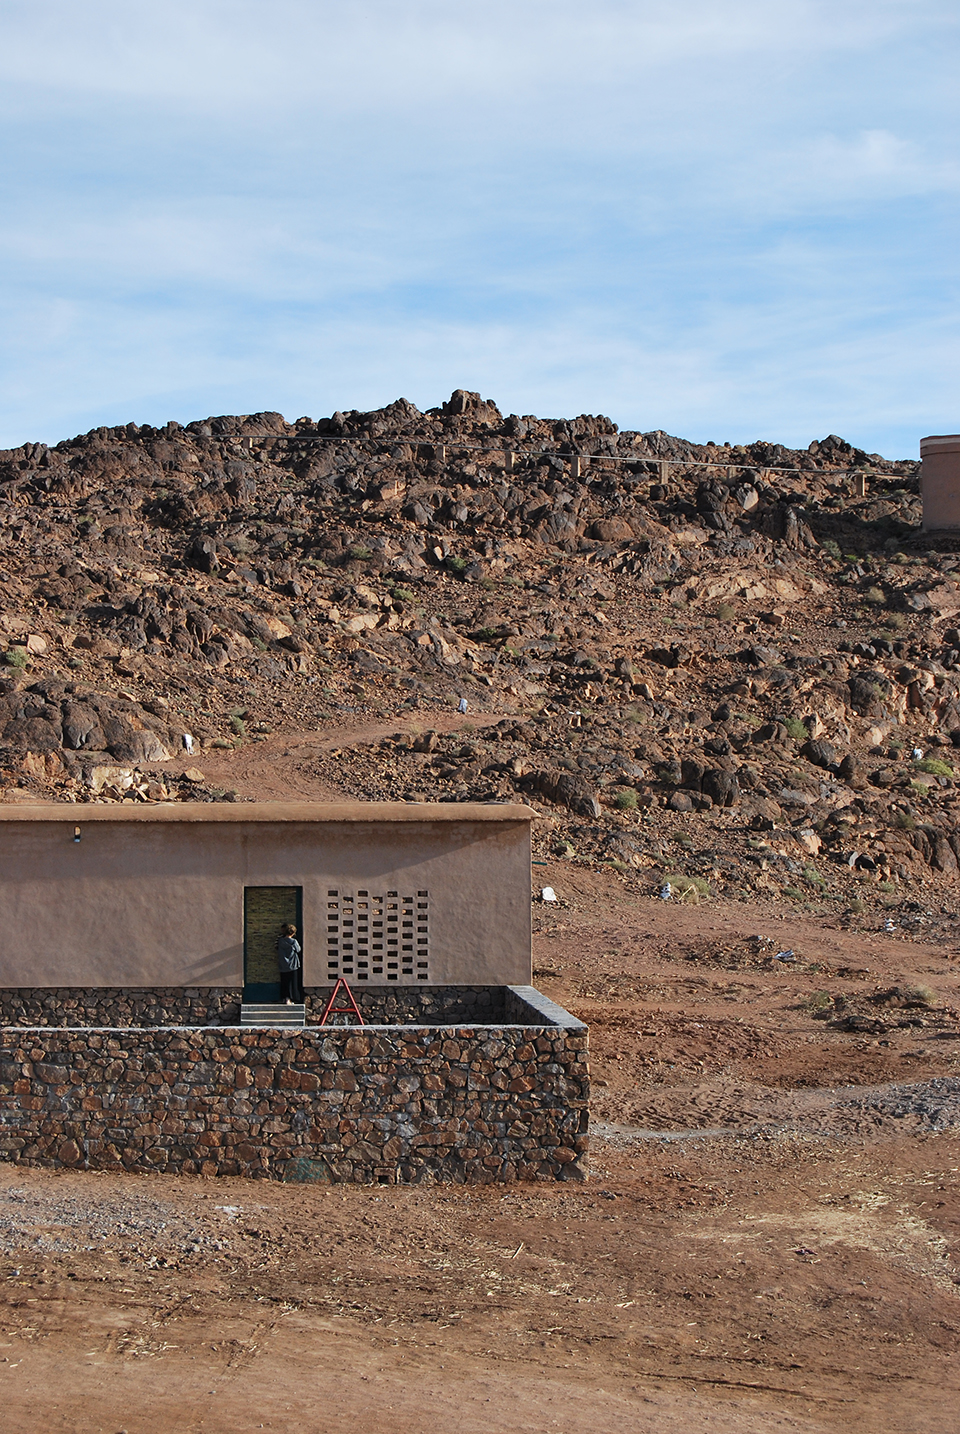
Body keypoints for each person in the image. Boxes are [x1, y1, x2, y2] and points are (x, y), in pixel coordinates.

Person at [277, 922, 302, 1004]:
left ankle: (285, 997)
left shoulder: (280, 941)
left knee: (284, 982)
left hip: (283, 965)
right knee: (293, 983)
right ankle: (292, 998)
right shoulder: (294, 942)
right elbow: (298, 950)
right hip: (293, 965)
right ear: (293, 933)